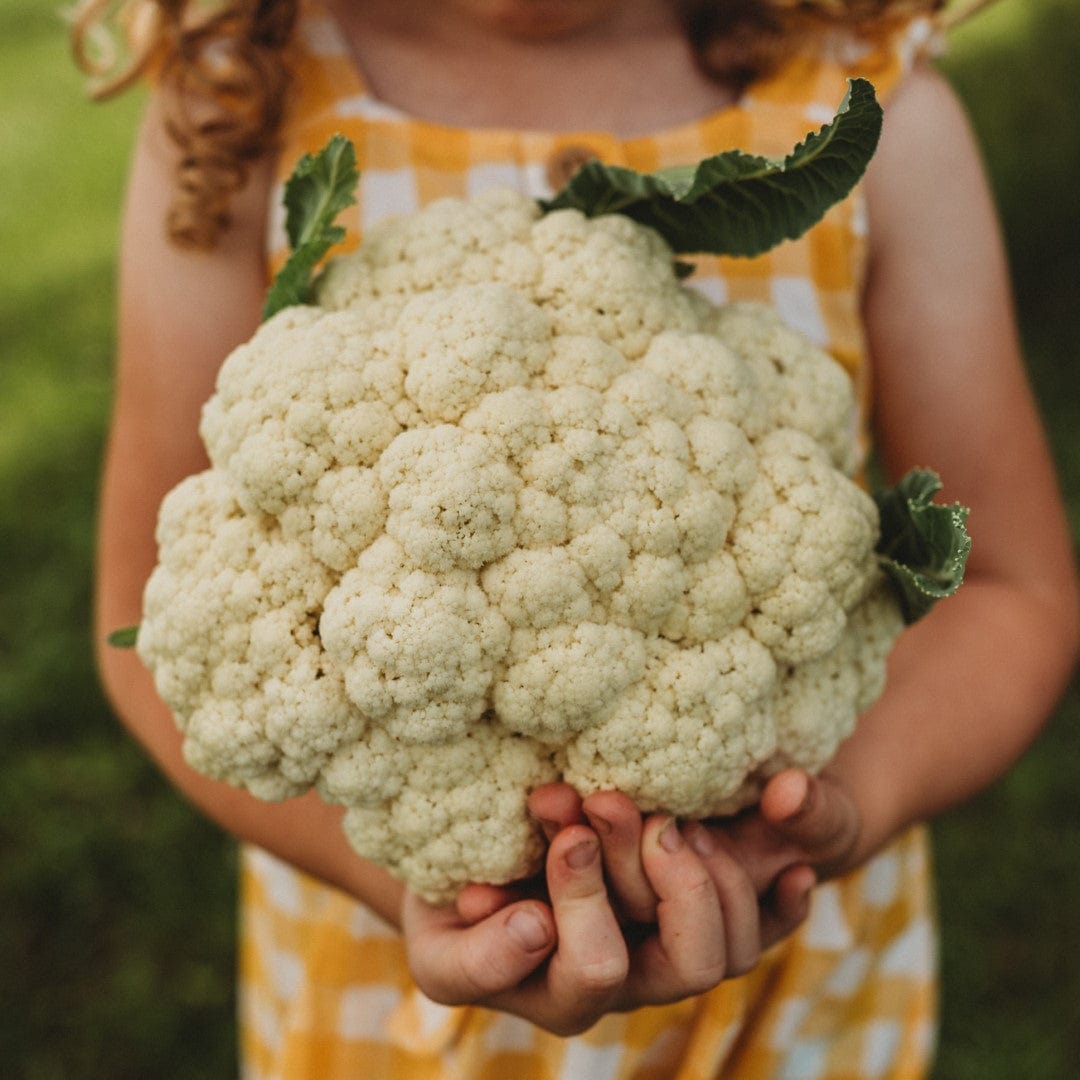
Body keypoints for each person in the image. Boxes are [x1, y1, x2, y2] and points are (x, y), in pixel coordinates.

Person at [81, 0, 1079, 1075]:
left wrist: (831, 812)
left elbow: (1014, 589)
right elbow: (153, 608)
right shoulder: (232, 113)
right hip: (384, 1003)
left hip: (795, 995)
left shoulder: (873, 115)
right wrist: (411, 887)